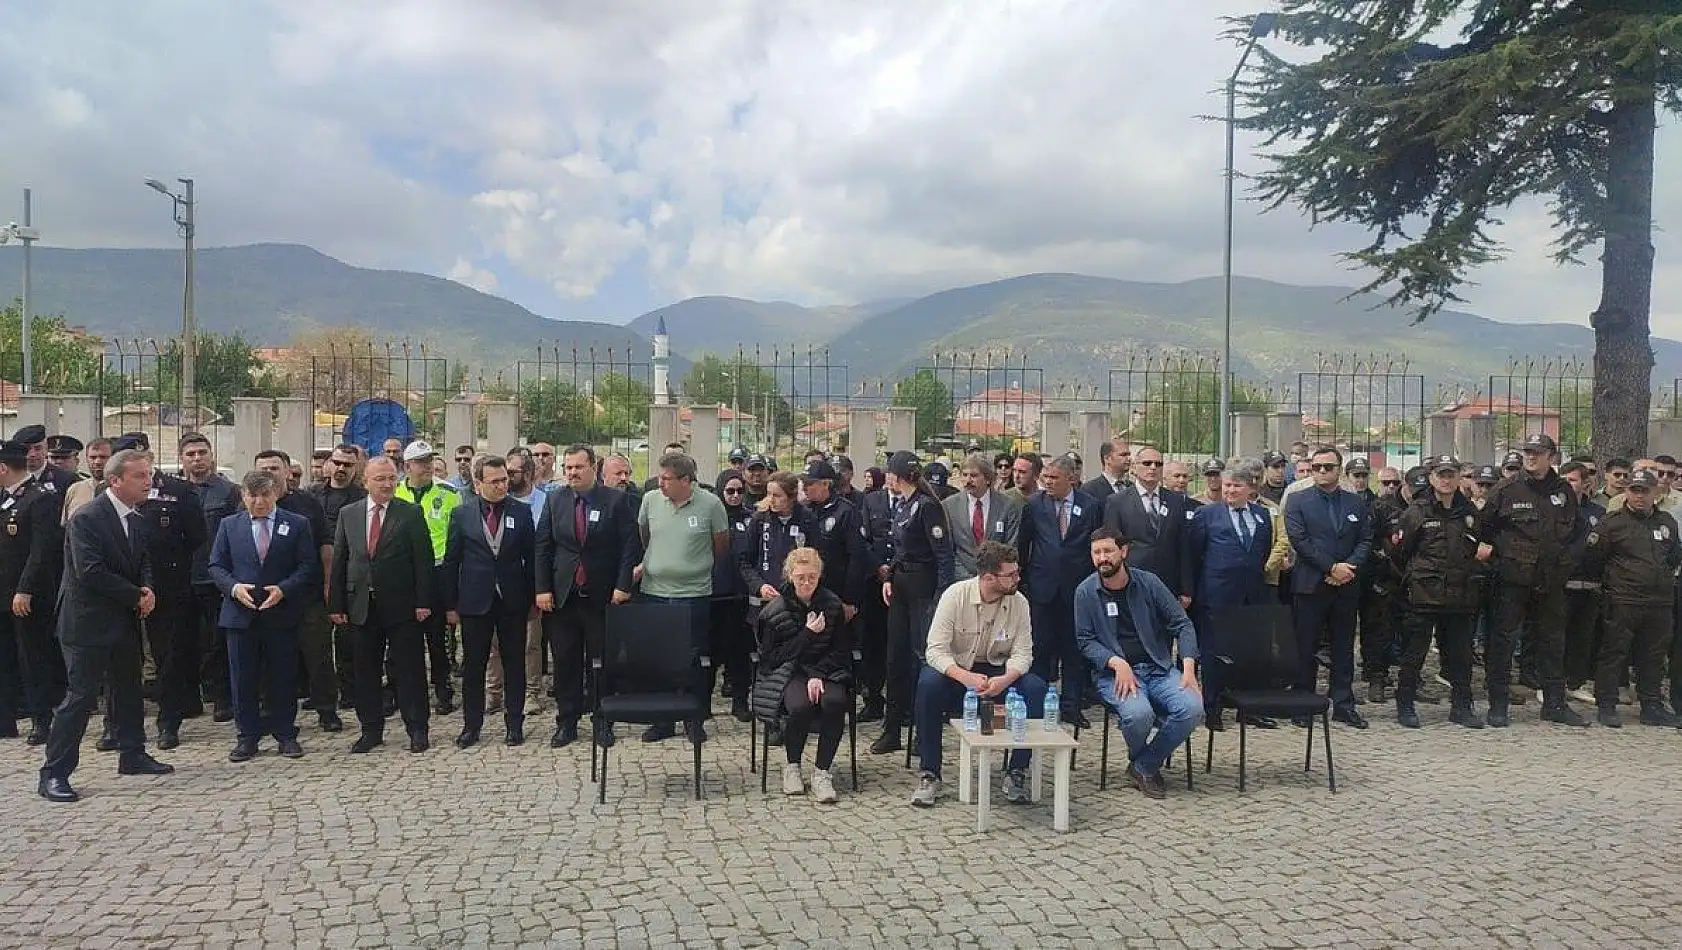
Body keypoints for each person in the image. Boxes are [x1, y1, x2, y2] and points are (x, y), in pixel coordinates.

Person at [38, 448, 171, 803]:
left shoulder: (138, 518)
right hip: (87, 623)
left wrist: (147, 589)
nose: (149, 481)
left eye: (150, 474)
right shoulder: (87, 519)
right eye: (140, 476)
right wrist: (135, 595)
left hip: (123, 619)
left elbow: (142, 561)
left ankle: (132, 753)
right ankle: (54, 772)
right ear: (116, 480)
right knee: (80, 697)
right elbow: (90, 571)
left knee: (128, 689)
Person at [909, 541, 1042, 808]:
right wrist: (964, 676)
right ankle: (930, 772)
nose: (1018, 578)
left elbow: (1024, 653)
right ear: (989, 577)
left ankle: (1017, 771)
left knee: (1036, 688)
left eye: (1017, 572)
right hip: (958, 672)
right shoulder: (954, 596)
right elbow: (935, 651)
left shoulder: (1019, 603)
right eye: (1011, 575)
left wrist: (1005, 679)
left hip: (998, 672)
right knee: (928, 684)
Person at [1076, 528, 1203, 799]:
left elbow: (1182, 624)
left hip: (1158, 668)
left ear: (1123, 551)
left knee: (1192, 707)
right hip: (1114, 675)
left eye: (1108, 551)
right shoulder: (1085, 592)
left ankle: (1143, 764)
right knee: (1138, 714)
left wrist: (1189, 667)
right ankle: (1145, 765)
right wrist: (1115, 662)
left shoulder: (1149, 583)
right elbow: (1085, 641)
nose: (1102, 558)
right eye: (1096, 553)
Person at [208, 469, 319, 762]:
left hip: (280, 612)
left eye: (265, 495)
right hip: (240, 614)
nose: (259, 502)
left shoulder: (296, 524)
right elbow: (216, 566)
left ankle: (285, 733)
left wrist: (284, 589)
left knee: (283, 675)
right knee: (243, 677)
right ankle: (247, 736)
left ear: (276, 494)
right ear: (243, 496)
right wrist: (233, 588)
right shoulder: (229, 526)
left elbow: (308, 565)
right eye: (252, 495)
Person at [1476, 433, 1585, 728]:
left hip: (1551, 579)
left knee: (1552, 642)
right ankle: (1498, 705)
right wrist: (1499, 560)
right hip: (1513, 580)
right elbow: (1484, 530)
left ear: (1552, 455)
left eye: (1537, 452)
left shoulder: (1563, 491)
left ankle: (1554, 704)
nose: (1531, 457)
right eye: (1527, 451)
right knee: (1503, 642)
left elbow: (1577, 532)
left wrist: (1567, 562)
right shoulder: (1506, 489)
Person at [327, 456, 435, 753]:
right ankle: (371, 730)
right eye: (380, 479)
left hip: (403, 605)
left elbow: (423, 562)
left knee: (409, 670)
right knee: (365, 671)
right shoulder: (349, 514)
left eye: (391, 478)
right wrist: (336, 604)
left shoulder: (410, 513)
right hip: (361, 604)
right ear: (366, 482)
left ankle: (417, 728)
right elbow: (340, 560)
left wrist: (424, 601)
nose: (387, 484)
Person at [535, 445, 639, 748]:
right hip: (563, 597)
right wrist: (542, 588)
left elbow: (628, 546)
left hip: (602, 595)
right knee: (565, 661)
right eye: (567, 468)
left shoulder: (616, 501)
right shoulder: (555, 500)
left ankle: (602, 720)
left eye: (578, 467)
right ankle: (566, 722)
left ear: (594, 467)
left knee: (601, 662)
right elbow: (543, 546)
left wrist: (623, 585)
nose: (572, 473)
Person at [635, 452, 731, 743]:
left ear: (686, 481)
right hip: (654, 592)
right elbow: (645, 535)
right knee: (659, 659)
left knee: (694, 659)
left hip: (693, 594)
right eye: (660, 477)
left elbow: (721, 546)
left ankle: (694, 718)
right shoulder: (650, 500)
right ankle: (662, 720)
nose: (660, 483)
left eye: (667, 479)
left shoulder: (711, 504)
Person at [442, 455, 536, 747]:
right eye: (494, 481)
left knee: (514, 663)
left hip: (512, 599)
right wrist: (450, 604)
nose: (501, 486)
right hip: (474, 600)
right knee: (474, 665)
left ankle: (515, 723)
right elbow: (451, 560)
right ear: (478, 483)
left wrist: (533, 597)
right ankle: (472, 725)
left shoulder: (520, 512)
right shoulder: (462, 514)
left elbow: (531, 558)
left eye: (504, 480)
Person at [1390, 456, 1487, 729]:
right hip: (1424, 593)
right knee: (1415, 653)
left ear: (1458, 478)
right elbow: (1399, 551)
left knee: (1461, 655)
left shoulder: (1468, 512)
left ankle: (1461, 707)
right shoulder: (1417, 511)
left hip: (1460, 593)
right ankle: (1405, 704)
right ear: (1431, 478)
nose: (1446, 480)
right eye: (1441, 475)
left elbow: (1475, 546)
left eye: (1451, 475)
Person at [870, 451, 956, 754]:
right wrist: (890, 577)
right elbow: (900, 550)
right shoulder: (905, 504)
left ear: (896, 476)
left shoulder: (927, 506)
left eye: (889, 474)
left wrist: (941, 598)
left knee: (922, 660)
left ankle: (923, 733)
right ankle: (892, 728)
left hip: (923, 587)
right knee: (895, 658)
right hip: (903, 585)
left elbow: (943, 556)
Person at [1583, 469, 1680, 727]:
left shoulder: (1667, 522)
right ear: (1627, 492)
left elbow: (1673, 557)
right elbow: (1593, 558)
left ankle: (1651, 705)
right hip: (1623, 600)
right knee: (1614, 653)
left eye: (1644, 491)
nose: (1639, 496)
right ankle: (1607, 704)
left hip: (1659, 602)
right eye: (1634, 490)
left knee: (1653, 655)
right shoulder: (1612, 523)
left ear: (1655, 493)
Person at [1284, 446, 1372, 729]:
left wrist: (1348, 568)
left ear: (1339, 469)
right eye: (1317, 467)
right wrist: (1331, 567)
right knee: (1305, 647)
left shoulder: (1355, 503)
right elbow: (1300, 540)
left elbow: (1365, 540)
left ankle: (1344, 704)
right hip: (1311, 583)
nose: (1323, 472)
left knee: (1344, 647)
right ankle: (1302, 704)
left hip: (1346, 585)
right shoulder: (1298, 500)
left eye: (1329, 467)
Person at [1185, 463, 1275, 729]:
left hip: (1252, 594)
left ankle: (1249, 708)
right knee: (1214, 654)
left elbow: (1262, 550)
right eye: (1227, 486)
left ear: (1250, 489)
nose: (1231, 491)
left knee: (1249, 651)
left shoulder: (1261, 515)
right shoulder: (1207, 515)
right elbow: (1195, 554)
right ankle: (1212, 708)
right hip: (1217, 594)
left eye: (1237, 486)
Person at [757, 548, 850, 804]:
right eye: (800, 577)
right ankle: (793, 765)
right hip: (789, 672)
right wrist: (807, 634)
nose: (806, 582)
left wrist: (819, 674)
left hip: (827, 671)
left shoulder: (832, 604)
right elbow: (772, 657)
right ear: (790, 576)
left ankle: (822, 771)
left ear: (820, 575)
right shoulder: (776, 610)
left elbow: (841, 650)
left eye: (812, 576)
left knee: (834, 703)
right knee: (799, 707)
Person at [1017, 453, 1102, 727]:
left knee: (1074, 651)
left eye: (1055, 478)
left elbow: (1094, 544)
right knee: (1041, 649)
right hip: (1042, 589)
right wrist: (1024, 582)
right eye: (1046, 478)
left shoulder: (1090, 506)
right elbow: (1023, 546)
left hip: (1077, 589)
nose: (1049, 483)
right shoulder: (1034, 505)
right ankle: (1038, 704)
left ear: (1071, 479)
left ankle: (1071, 706)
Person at [253, 450, 336, 730]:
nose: (268, 473)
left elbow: (325, 544)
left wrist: (327, 583)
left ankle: (327, 710)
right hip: (265, 597)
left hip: (307, 593)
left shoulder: (306, 503)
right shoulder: (249, 503)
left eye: (274, 468)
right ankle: (271, 713)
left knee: (317, 654)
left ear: (288, 472)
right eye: (262, 468)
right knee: (269, 658)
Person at [138, 436, 208, 751]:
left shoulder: (178, 492)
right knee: (122, 656)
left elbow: (196, 537)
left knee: (169, 657)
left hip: (169, 585)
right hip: (124, 584)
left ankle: (168, 721)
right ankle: (118, 724)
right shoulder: (111, 493)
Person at [0, 439, 64, 744]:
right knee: (5, 657)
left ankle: (41, 719)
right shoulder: (5, 498)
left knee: (32, 657)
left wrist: (24, 589)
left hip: (28, 595)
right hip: (3, 593)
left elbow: (40, 552)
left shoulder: (38, 499)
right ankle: (6, 718)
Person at [181, 433, 244, 725]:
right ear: (182, 459)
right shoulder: (175, 492)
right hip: (182, 578)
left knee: (218, 641)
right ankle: (189, 698)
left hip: (217, 579)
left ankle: (222, 697)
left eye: (201, 453)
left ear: (212, 455)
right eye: (191, 454)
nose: (197, 459)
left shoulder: (229, 492)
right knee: (185, 642)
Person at [393, 440, 460, 715]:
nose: (428, 466)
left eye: (430, 460)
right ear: (408, 466)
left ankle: (443, 689)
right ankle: (404, 691)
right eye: (421, 462)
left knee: (439, 637)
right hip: (404, 574)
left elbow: (457, 534)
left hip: (438, 572)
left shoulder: (448, 493)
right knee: (402, 638)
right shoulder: (395, 494)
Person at [488, 449, 548, 719]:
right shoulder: (495, 503)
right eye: (503, 474)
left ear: (529, 473)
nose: (507, 479)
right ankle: (494, 691)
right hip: (493, 585)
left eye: (512, 473)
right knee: (494, 644)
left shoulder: (544, 503)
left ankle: (532, 692)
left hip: (526, 583)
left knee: (530, 643)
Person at [1100, 445, 1191, 607]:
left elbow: (1184, 546)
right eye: (1147, 463)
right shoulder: (1117, 502)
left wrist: (1186, 589)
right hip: (1132, 581)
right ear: (1135, 467)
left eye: (1158, 464)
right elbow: (1113, 545)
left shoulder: (1176, 501)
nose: (1153, 468)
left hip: (1168, 583)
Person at [1561, 460, 1606, 704]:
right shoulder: (1554, 510)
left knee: (1582, 637)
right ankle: (1552, 683)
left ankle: (1575, 682)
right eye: (1565, 480)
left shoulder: (1597, 513)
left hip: (1589, 585)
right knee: (1557, 637)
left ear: (1585, 483)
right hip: (1562, 584)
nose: (1569, 484)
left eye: (1573, 480)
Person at [713, 473, 754, 721]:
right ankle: (702, 705)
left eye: (740, 491)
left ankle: (740, 702)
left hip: (743, 595)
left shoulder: (752, 518)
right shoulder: (713, 518)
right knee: (710, 651)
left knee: (741, 652)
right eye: (730, 491)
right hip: (715, 593)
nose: (736, 496)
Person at [943, 452, 1021, 580]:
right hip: (961, 582)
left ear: (988, 478)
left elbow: (1011, 547)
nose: (968, 480)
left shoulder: (1007, 506)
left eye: (973, 475)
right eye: (965, 475)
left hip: (996, 580)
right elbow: (949, 550)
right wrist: (969, 580)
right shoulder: (949, 505)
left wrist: (991, 577)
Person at [60, 438, 114, 524]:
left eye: (103, 457)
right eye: (93, 457)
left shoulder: (123, 490)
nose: (97, 462)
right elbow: (66, 527)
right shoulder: (75, 490)